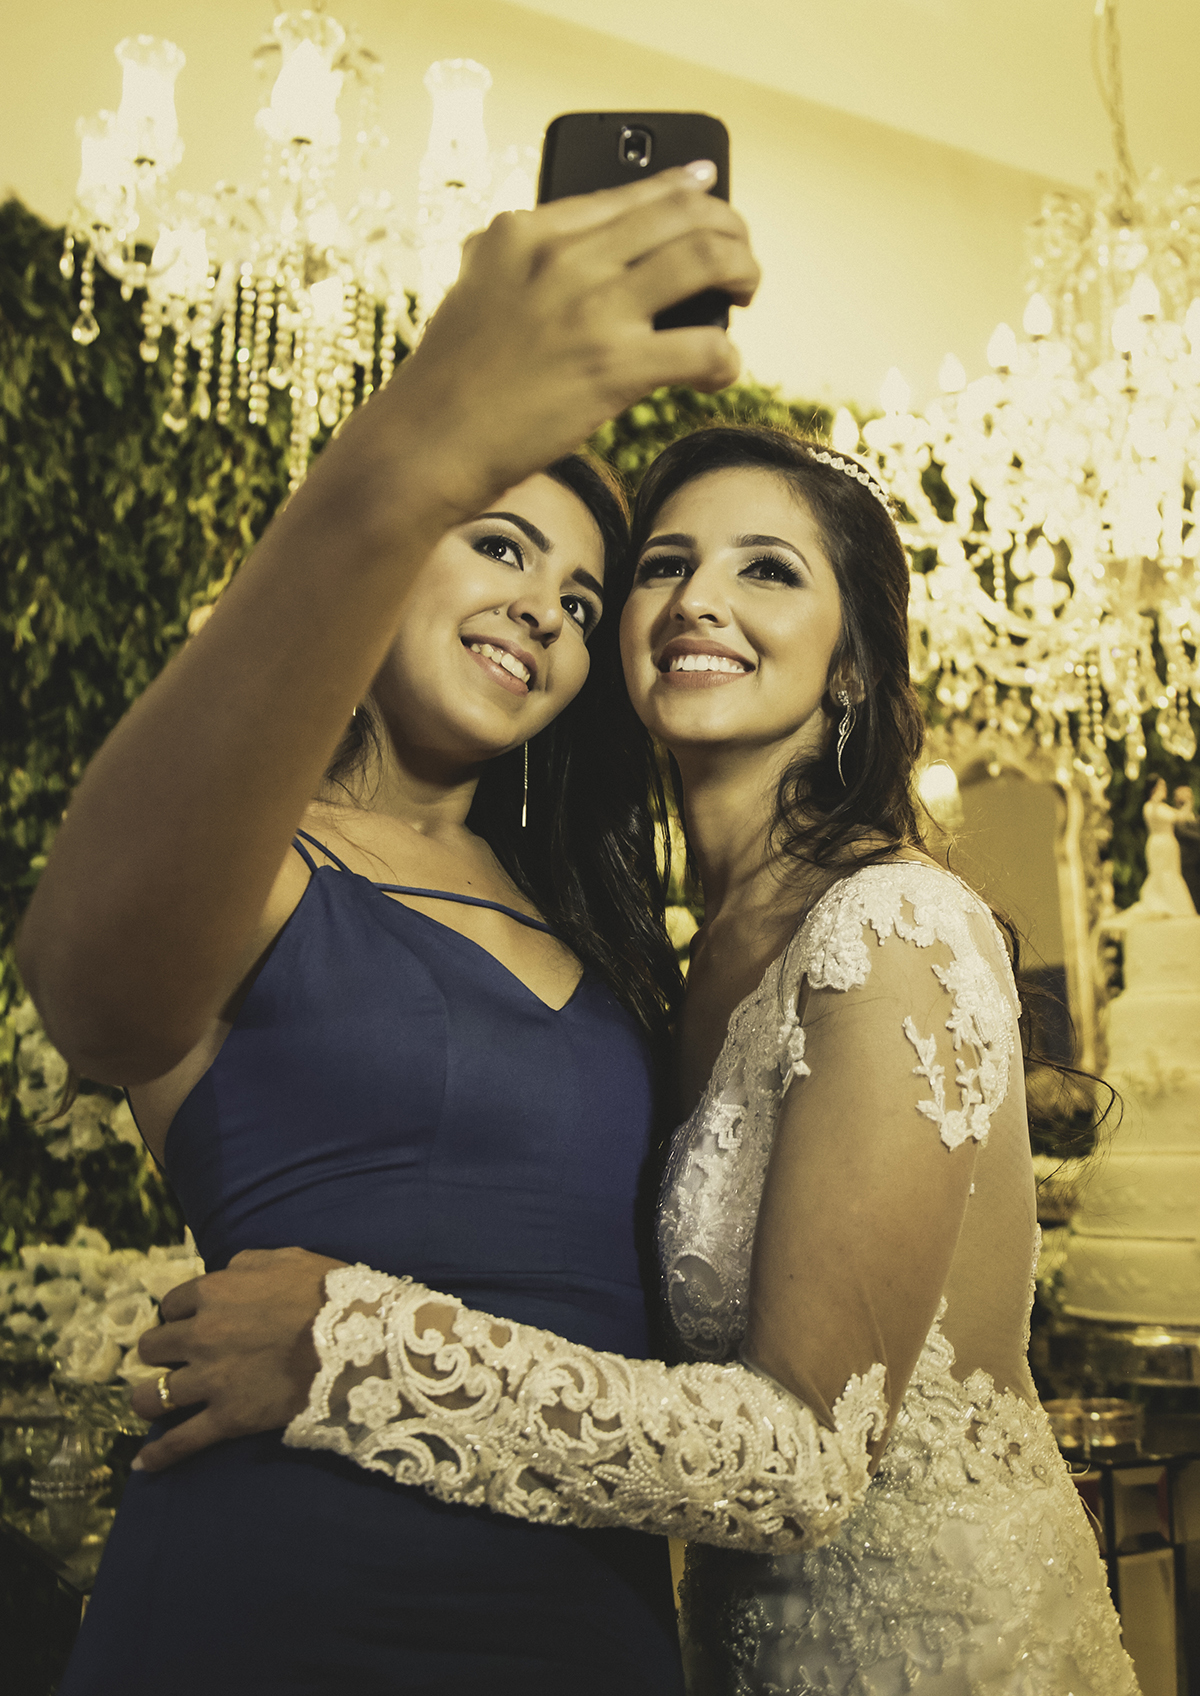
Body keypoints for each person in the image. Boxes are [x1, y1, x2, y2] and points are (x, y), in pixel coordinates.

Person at [125, 426, 1139, 1694]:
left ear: (852, 667)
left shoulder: (892, 925)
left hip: (940, 1652)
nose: (700, 598)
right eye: (666, 565)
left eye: (767, 568)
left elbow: (808, 1459)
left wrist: (353, 1349)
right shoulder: (676, 963)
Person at [15, 162, 761, 1695]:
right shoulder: (254, 856)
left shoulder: (609, 930)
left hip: (584, 1621)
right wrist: (417, 448)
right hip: (279, 1605)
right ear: (398, 546)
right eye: (499, 543)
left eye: (583, 598)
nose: (543, 608)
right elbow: (90, 985)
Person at [1123, 775, 1196, 919]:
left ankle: (1174, 905)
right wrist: (1156, 798)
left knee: (1172, 872)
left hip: (1170, 843)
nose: (1165, 789)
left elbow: (1182, 817)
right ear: (1154, 788)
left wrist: (1188, 801)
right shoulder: (1149, 806)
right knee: (1160, 872)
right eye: (1161, 786)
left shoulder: (1164, 807)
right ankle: (1159, 903)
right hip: (1157, 843)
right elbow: (1154, 814)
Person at [1174, 784, 1200, 912]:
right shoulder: (1176, 815)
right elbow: (1182, 832)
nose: (1190, 798)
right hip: (1188, 858)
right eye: (1186, 796)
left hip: (1198, 857)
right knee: (1192, 887)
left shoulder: (1194, 815)